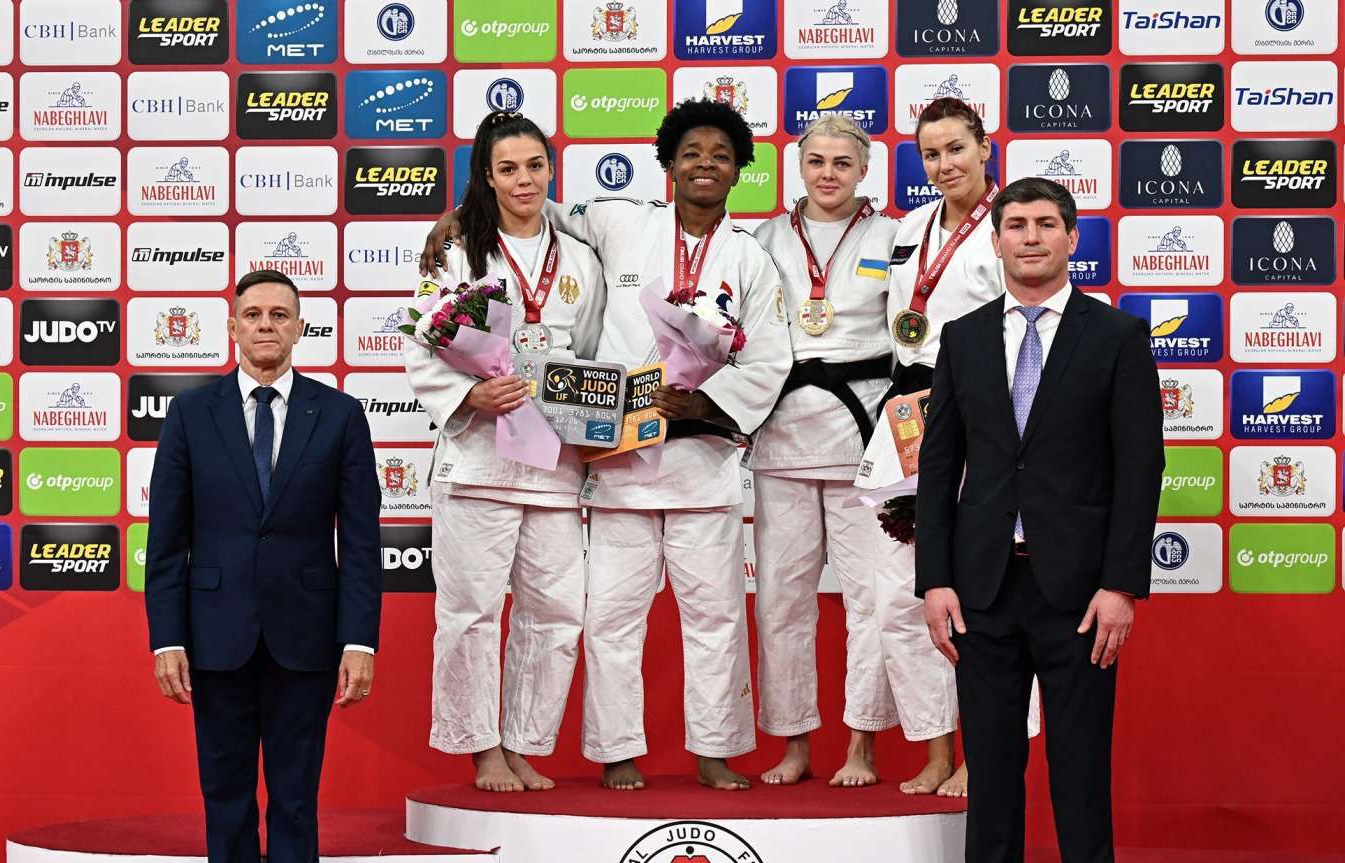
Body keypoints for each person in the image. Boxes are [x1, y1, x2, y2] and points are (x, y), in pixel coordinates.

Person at [423, 98, 791, 791]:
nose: (705, 165)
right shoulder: (620, 224)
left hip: (700, 460)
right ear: (668, 164)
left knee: (712, 617)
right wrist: (463, 214)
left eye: (720, 155)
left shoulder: (750, 257)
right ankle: (615, 748)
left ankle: (714, 748)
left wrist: (704, 402)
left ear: (741, 168)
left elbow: (769, 360)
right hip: (617, 462)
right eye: (691, 153)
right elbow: (542, 211)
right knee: (609, 619)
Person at [906, 177, 1162, 863]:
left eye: (1046, 223)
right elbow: (939, 466)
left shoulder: (1116, 336)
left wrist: (1121, 585)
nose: (1029, 237)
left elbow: (1140, 469)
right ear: (997, 241)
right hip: (982, 587)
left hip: (1079, 594)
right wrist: (935, 579)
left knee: (1078, 767)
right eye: (1014, 224)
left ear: (1071, 237)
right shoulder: (963, 337)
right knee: (992, 768)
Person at [146, 270, 381, 863]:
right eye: (253, 314)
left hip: (307, 638)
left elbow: (361, 540)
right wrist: (166, 638)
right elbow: (167, 541)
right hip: (213, 637)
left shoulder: (339, 415)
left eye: (280, 314)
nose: (266, 325)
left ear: (300, 326)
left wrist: (359, 641)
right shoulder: (191, 414)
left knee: (295, 798)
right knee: (226, 797)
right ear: (233, 327)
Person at [406, 112, 604, 793]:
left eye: (535, 166)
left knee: (558, 612)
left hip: (553, 462)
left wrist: (595, 421)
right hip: (479, 460)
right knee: (470, 613)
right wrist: (470, 395)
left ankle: (522, 742)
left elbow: (592, 350)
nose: (524, 180)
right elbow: (421, 345)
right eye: (509, 169)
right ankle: (481, 747)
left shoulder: (579, 258)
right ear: (487, 178)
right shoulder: (458, 254)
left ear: (551, 169)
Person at [855, 96, 1037, 798]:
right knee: (902, 593)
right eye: (931, 153)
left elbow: (1031, 332)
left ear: (984, 147)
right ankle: (934, 748)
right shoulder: (910, 228)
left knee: (992, 593)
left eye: (956, 148)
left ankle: (984, 755)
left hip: (986, 416)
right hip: (908, 416)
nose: (944, 164)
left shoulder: (1010, 226)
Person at [748, 115, 899, 786]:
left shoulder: (893, 237)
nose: (828, 174)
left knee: (871, 598)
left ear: (864, 170)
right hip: (782, 435)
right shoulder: (764, 239)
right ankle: (794, 744)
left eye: (842, 162)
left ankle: (861, 742)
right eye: (817, 161)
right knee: (781, 601)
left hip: (863, 435)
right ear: (799, 166)